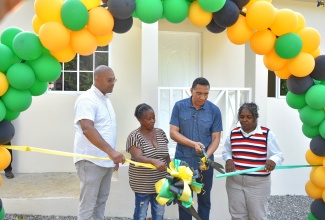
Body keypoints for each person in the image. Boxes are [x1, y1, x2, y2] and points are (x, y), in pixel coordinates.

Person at [73, 65, 125, 220]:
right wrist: (111, 152)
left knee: (101, 201)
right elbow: (87, 129)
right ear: (97, 79)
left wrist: (112, 157)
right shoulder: (87, 99)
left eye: (114, 80)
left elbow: (106, 131)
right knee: (88, 205)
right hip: (90, 160)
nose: (113, 83)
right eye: (109, 80)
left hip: (105, 161)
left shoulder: (105, 100)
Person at [169, 77, 223, 220]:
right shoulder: (179, 107)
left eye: (206, 94)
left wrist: (206, 157)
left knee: (204, 201)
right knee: (184, 200)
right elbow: (173, 133)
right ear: (191, 91)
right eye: (199, 93)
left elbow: (216, 138)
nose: (202, 97)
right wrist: (193, 144)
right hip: (182, 163)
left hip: (205, 166)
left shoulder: (214, 110)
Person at [222, 102, 284, 220]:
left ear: (255, 118)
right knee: (237, 216)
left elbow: (278, 155)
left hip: (258, 184)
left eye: (248, 117)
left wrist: (272, 160)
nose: (244, 120)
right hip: (235, 182)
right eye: (242, 117)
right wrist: (229, 159)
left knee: (258, 216)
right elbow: (226, 151)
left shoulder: (267, 134)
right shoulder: (233, 133)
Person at [126, 103, 170, 220]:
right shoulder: (134, 136)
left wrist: (171, 172)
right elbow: (137, 157)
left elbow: (166, 155)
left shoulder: (160, 133)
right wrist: (153, 161)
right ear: (140, 119)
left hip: (161, 183)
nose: (152, 121)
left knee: (159, 214)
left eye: (153, 118)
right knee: (141, 214)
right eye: (148, 119)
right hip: (143, 185)